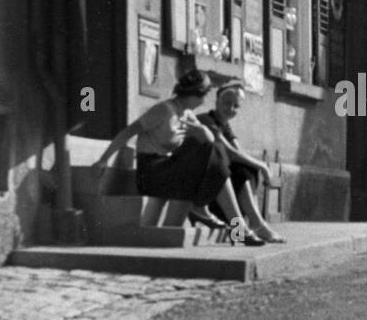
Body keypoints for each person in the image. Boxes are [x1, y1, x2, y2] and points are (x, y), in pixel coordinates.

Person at [89, 69, 266, 245]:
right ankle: (226, 222)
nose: (204, 101)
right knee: (212, 153)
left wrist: (203, 130)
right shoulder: (163, 110)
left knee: (216, 155)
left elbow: (212, 144)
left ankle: (235, 226)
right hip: (151, 174)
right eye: (202, 96)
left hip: (170, 171)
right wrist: (104, 159)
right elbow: (128, 131)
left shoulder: (187, 114)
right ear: (192, 95)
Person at [198, 81, 286, 243]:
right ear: (216, 102)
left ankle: (250, 225)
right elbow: (231, 154)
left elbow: (238, 152)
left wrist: (259, 166)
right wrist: (263, 166)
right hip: (203, 192)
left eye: (236, 106)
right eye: (226, 103)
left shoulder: (225, 126)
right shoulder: (206, 121)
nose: (230, 109)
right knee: (240, 170)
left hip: (221, 193)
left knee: (245, 169)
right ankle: (254, 225)